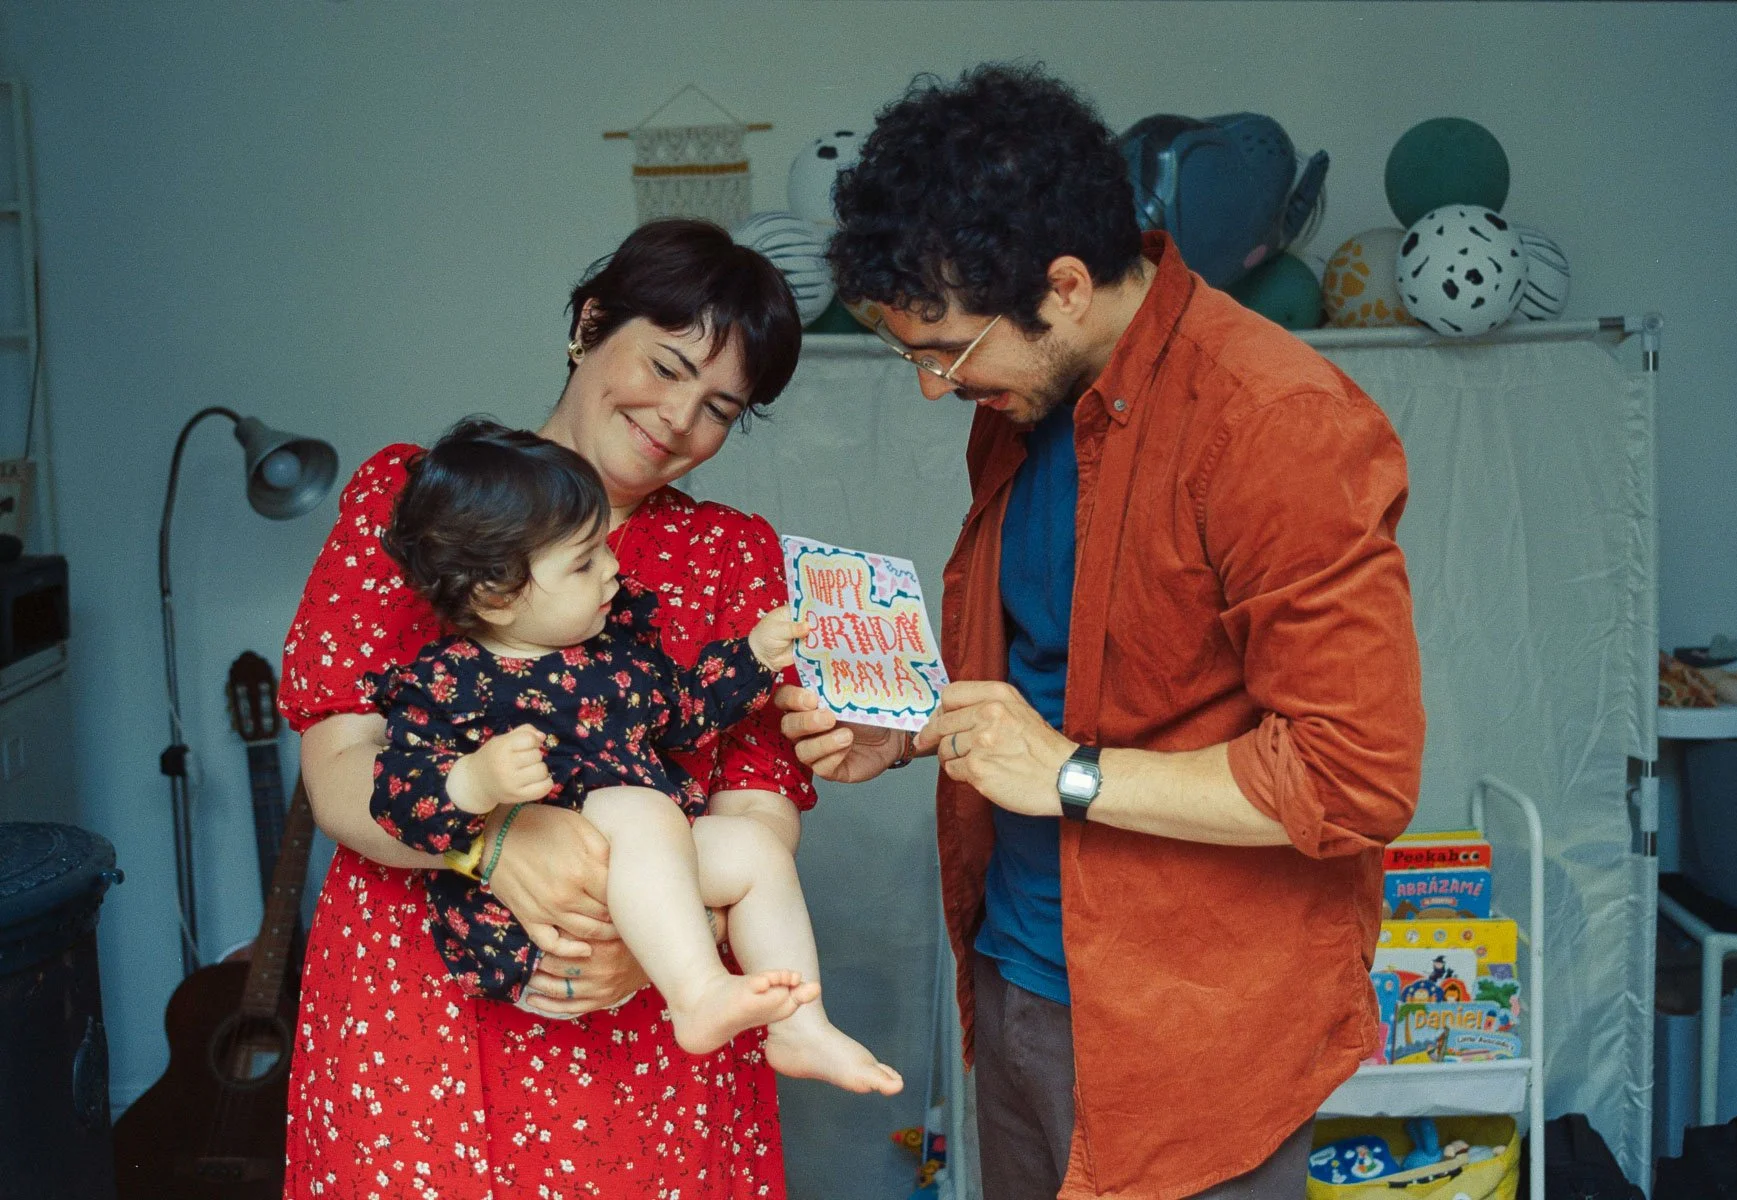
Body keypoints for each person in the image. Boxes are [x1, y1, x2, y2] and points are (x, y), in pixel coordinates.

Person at [778, 65, 1426, 1199]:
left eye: (948, 352)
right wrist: (914, 727)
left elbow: (1352, 775)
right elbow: (1066, 671)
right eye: (913, 356)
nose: (934, 389)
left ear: (1067, 285)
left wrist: (1070, 779)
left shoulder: (1276, 421)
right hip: (1018, 976)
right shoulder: (1026, 403)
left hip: (1189, 1028)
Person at [279, 219, 837, 1197]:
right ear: (590, 323)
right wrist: (492, 845)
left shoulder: (732, 554)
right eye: (664, 366)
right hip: (421, 1005)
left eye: (719, 407)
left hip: (650, 1023)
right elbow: (339, 764)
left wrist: (648, 938)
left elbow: (755, 800)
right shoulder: (422, 501)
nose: (677, 420)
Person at [369, 417, 903, 1092]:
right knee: (640, 808)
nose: (613, 570)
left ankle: (800, 1027)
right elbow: (395, 797)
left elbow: (683, 717)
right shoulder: (448, 683)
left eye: (605, 549)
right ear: (495, 595)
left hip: (639, 876)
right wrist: (473, 781)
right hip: (526, 912)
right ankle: (698, 993)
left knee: (749, 848)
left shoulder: (617, 653)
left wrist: (756, 657)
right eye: (584, 560)